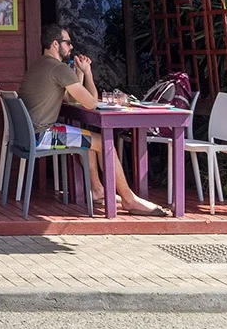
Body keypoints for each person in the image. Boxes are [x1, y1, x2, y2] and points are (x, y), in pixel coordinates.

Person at [18, 24, 167, 216]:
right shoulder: (59, 68)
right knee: (103, 143)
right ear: (55, 44)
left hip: (29, 134)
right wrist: (88, 72)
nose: (71, 47)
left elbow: (71, 99)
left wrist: (80, 73)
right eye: (68, 42)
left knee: (90, 139)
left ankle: (97, 190)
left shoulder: (41, 64)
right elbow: (90, 103)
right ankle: (129, 200)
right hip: (41, 135)